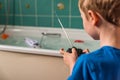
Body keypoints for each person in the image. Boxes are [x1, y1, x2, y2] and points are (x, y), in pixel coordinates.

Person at [60, 0, 120, 80]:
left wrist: (74, 65)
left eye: (82, 17)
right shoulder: (91, 61)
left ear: (92, 17)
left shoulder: (87, 62)